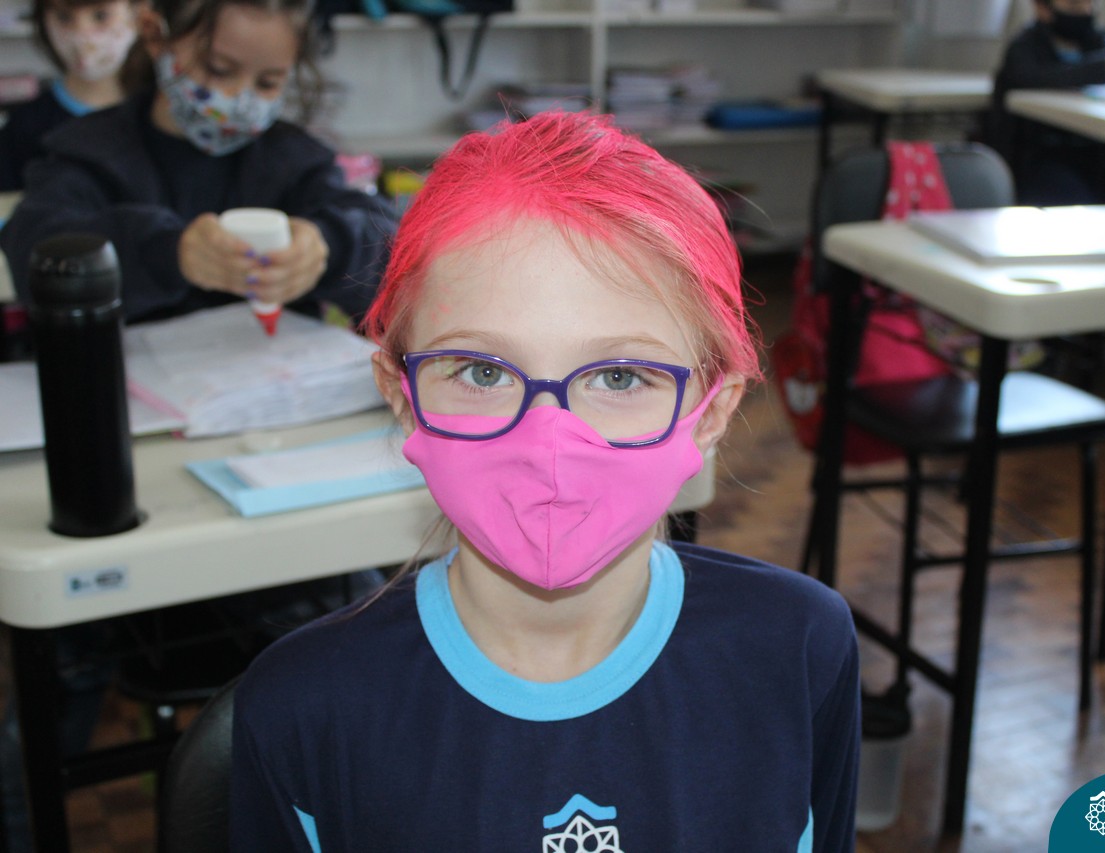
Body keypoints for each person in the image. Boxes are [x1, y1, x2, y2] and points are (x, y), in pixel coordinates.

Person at [229, 111, 861, 850]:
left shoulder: (800, 651)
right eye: (483, 372)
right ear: (402, 396)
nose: (548, 445)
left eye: (619, 376)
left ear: (712, 411)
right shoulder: (303, 709)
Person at [0, 0, 396, 326]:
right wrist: (167, 252)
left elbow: (392, 249)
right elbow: (33, 254)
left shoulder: (294, 158)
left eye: (268, 82)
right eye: (219, 69)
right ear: (154, 35)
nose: (240, 99)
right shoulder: (88, 151)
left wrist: (326, 248)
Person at [985, 0, 1105, 205]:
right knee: (1081, 205)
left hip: (1097, 156)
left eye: (1090, 4)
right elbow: (1038, 77)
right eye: (1074, 5)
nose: (1085, 11)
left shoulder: (1095, 40)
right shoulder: (1024, 47)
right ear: (1042, 8)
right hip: (1041, 159)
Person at [0, 0, 149, 191]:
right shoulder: (24, 126)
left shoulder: (160, 115)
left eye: (101, 16)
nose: (82, 36)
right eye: (64, 17)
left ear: (140, 13)